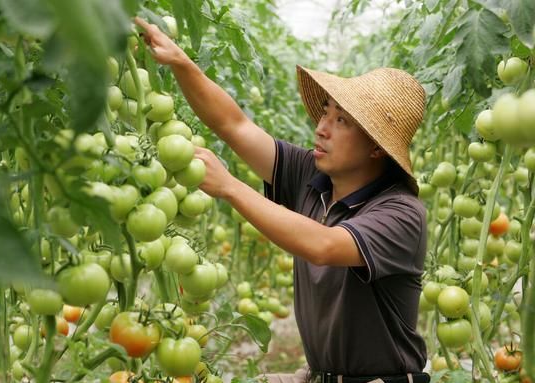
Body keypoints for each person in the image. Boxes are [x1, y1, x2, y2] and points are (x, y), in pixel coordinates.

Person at [135, 17, 430, 383]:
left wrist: (230, 186)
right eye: (326, 112)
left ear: (376, 148)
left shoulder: (401, 213)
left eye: (342, 121)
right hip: (318, 375)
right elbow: (234, 126)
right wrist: (180, 62)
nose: (321, 128)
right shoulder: (311, 175)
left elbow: (324, 245)